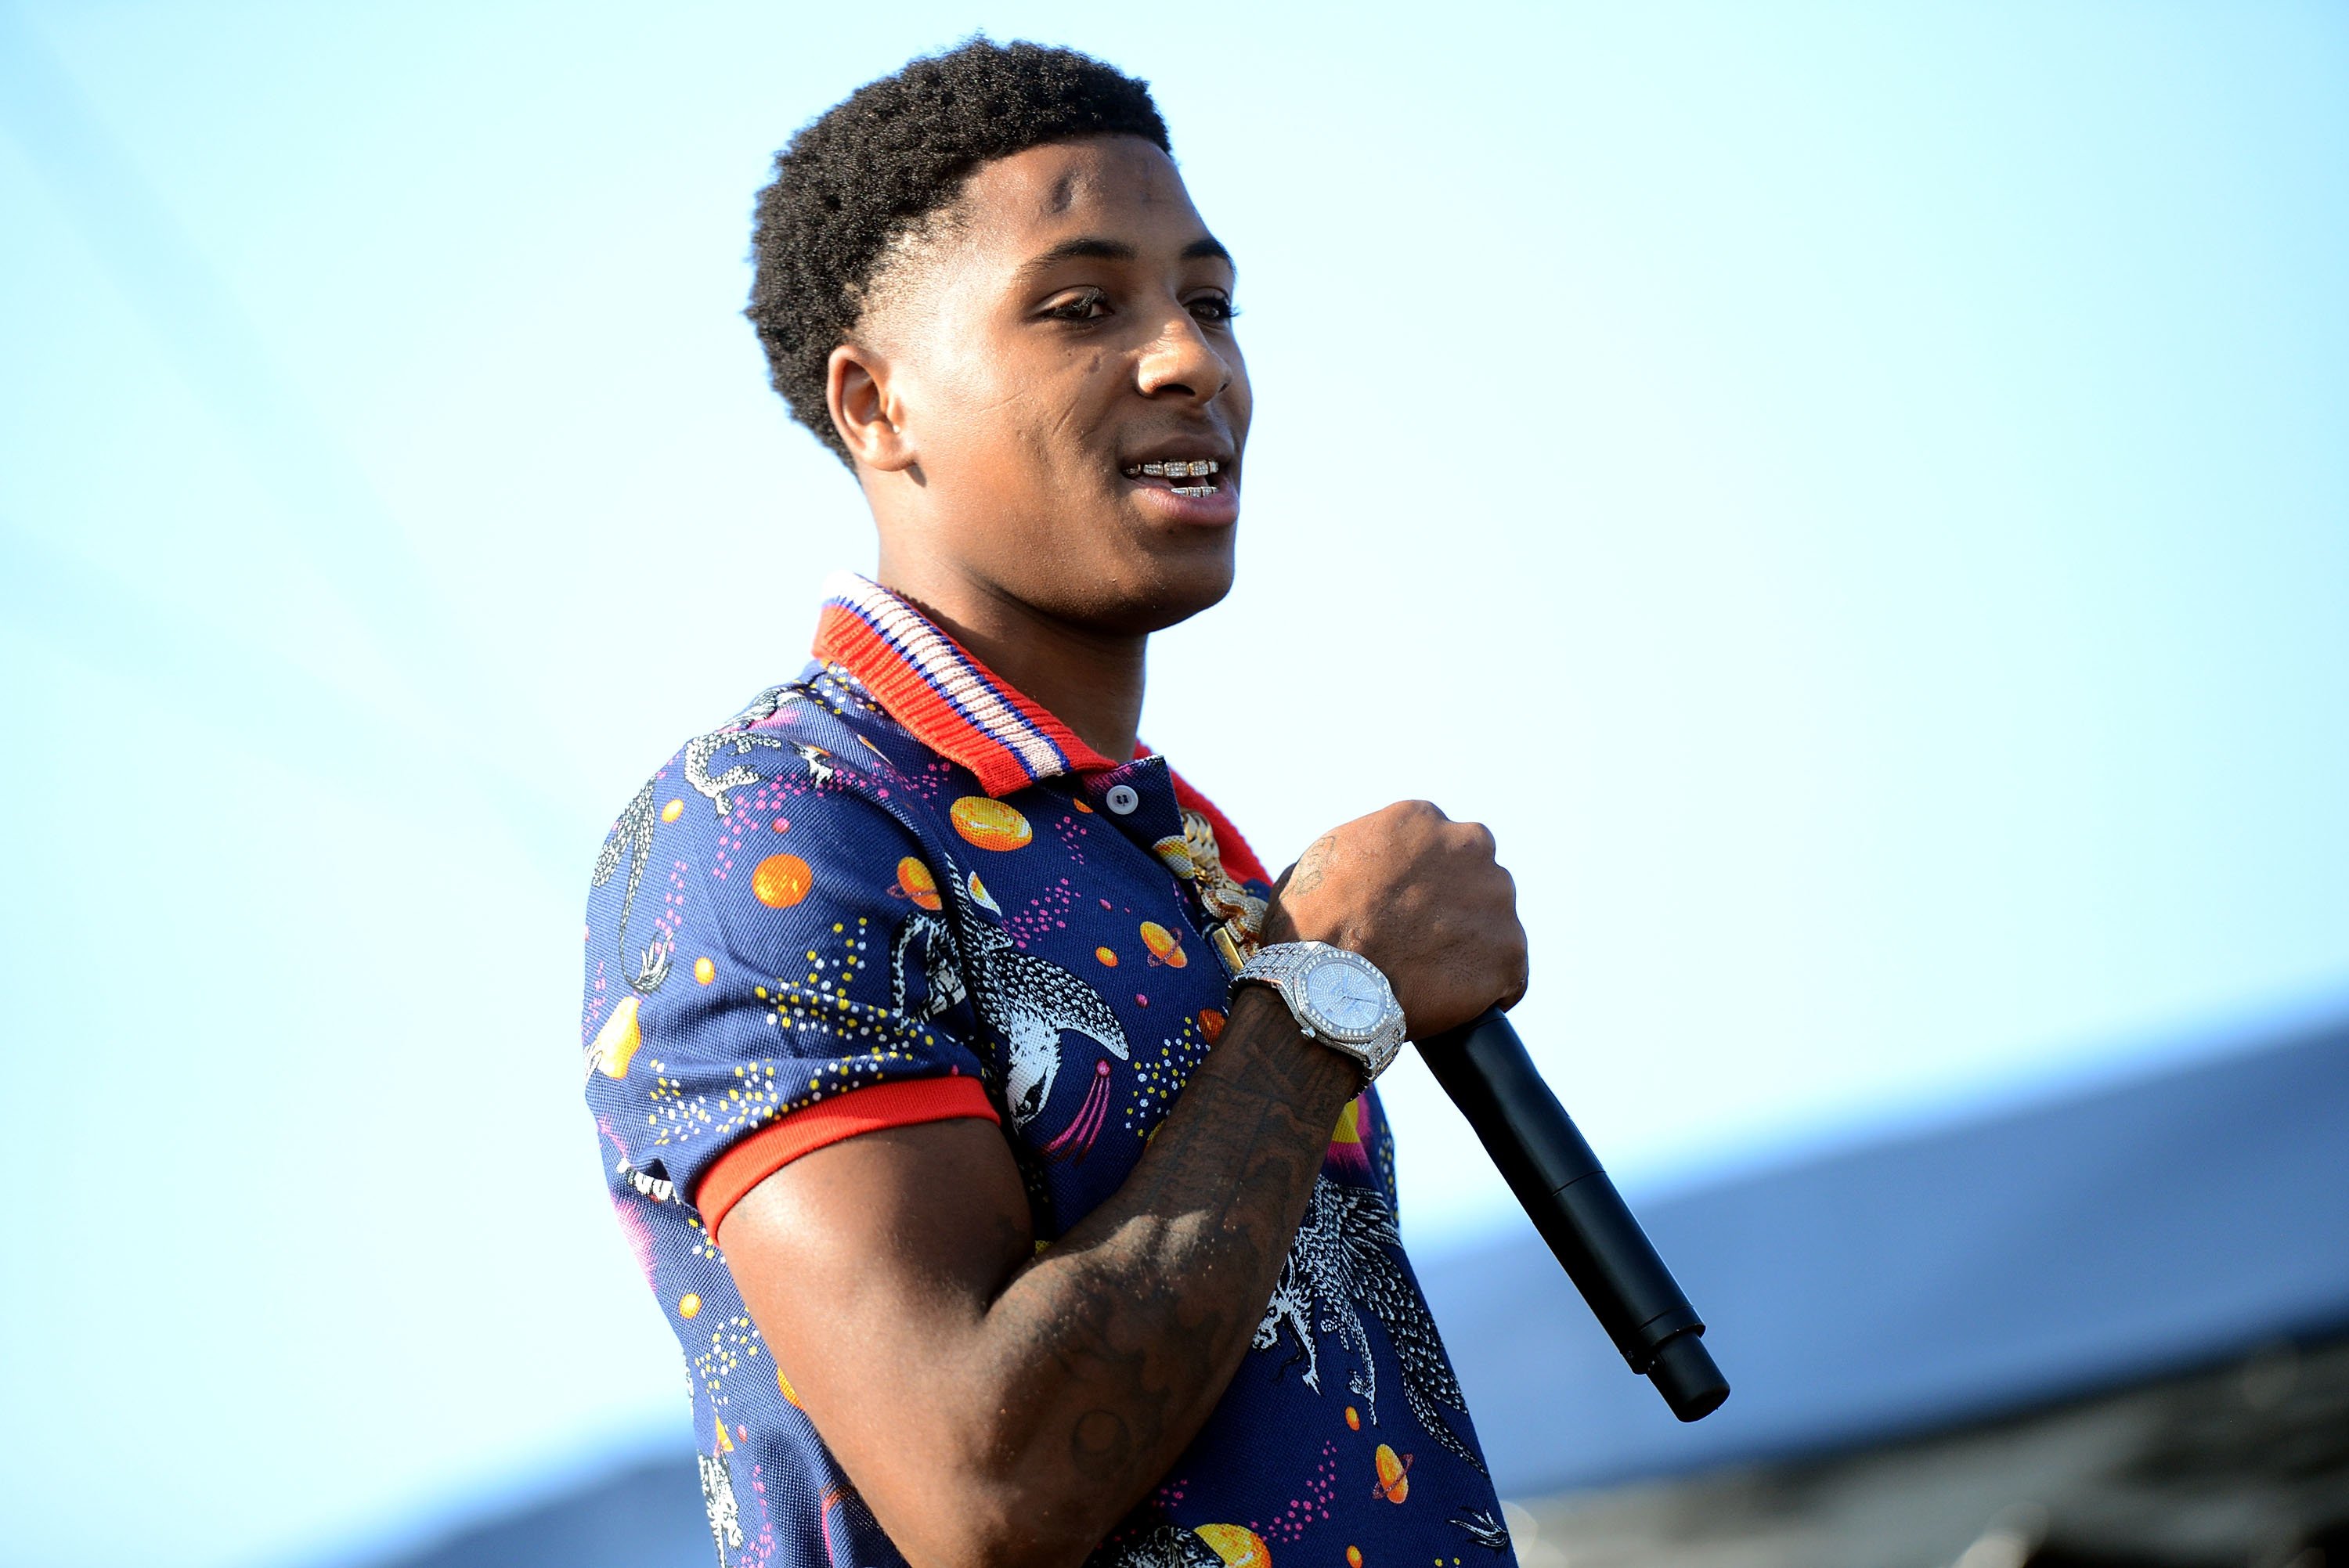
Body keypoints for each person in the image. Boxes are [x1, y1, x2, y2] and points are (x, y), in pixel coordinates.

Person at [579, 38, 1528, 1568]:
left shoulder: (1172, 852)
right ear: (877, 406)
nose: (1190, 361)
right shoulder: (770, 826)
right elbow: (983, 1490)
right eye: (1084, 307)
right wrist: (1324, 998)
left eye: (1210, 302)